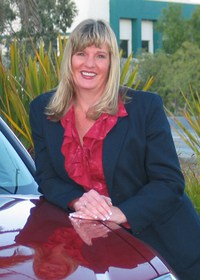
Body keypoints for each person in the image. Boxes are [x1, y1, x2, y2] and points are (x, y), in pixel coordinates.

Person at [29, 18, 200, 280]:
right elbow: (47, 177)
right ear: (69, 59)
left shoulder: (145, 108)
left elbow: (169, 182)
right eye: (81, 53)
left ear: (111, 63)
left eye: (100, 55)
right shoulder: (43, 110)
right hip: (91, 249)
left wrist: (119, 214)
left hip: (165, 246)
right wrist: (77, 200)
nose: (89, 64)